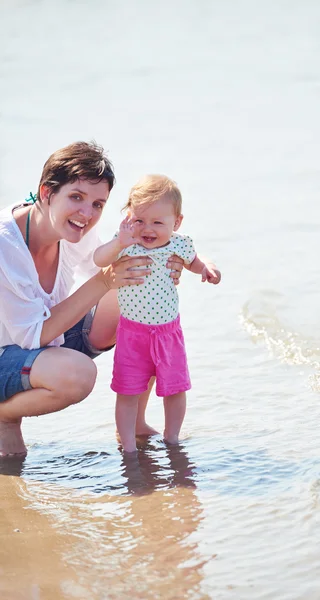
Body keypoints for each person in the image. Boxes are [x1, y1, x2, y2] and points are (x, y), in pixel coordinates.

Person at [0, 142, 184, 457]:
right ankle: (4, 416)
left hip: (42, 344)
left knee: (140, 300)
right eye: (76, 197)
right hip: (9, 352)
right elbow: (32, 336)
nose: (86, 215)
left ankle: (136, 422)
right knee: (78, 374)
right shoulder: (6, 246)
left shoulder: (73, 228)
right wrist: (102, 281)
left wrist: (163, 260)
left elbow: (105, 266)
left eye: (98, 204)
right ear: (46, 192)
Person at [93, 174, 221, 453]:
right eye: (140, 220)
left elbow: (197, 260)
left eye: (158, 222)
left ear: (176, 223)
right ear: (129, 217)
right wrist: (119, 243)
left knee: (175, 388)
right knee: (127, 390)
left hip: (167, 333)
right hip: (132, 333)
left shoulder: (180, 244)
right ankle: (128, 446)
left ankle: (172, 438)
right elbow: (99, 259)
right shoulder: (126, 243)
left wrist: (208, 269)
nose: (147, 229)